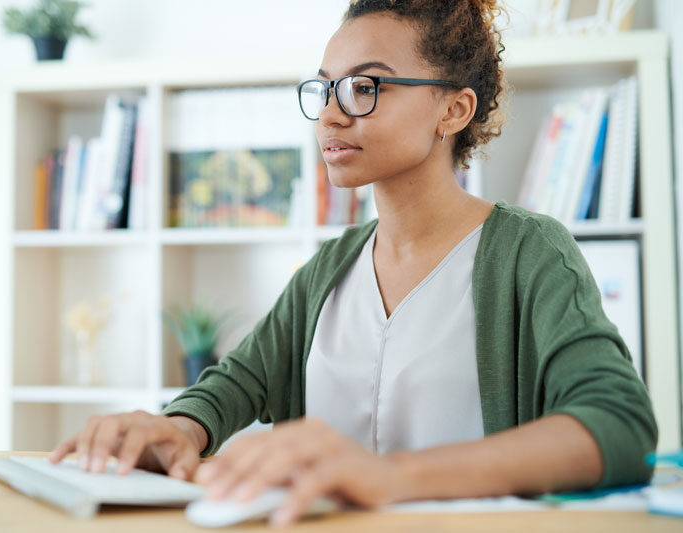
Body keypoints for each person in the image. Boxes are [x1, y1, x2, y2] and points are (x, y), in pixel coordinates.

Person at [50, 0, 657, 527]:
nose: (333, 115)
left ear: (455, 110)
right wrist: (178, 429)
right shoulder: (330, 268)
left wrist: (387, 475)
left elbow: (619, 427)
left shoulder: (529, 254)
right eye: (326, 88)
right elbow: (235, 384)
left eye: (366, 87)